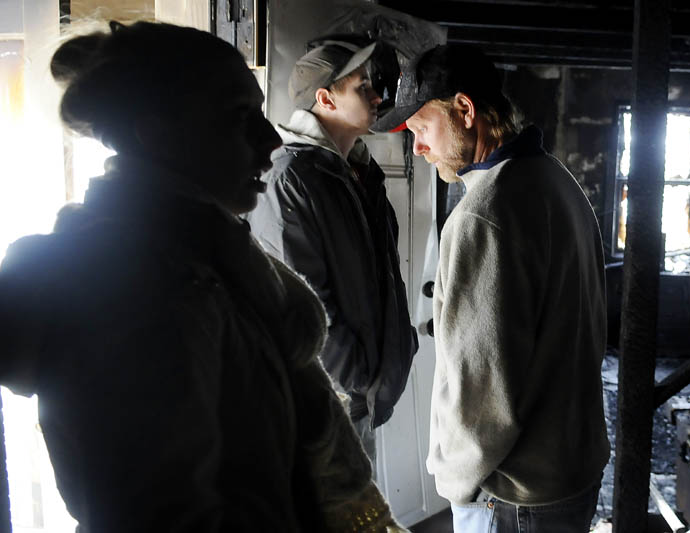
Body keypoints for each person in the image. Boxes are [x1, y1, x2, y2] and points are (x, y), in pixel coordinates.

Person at [0, 21, 404, 533]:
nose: (269, 140)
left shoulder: (210, 258)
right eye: (240, 117)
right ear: (157, 130)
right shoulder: (137, 291)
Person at [372, 44, 610, 533]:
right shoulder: (556, 179)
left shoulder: (483, 214)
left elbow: (480, 390)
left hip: (514, 493)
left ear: (465, 109)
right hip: (573, 469)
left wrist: (456, 484)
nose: (416, 148)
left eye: (420, 127)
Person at [248, 38, 419, 463]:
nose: (378, 96)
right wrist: (356, 377)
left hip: (357, 398)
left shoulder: (358, 171)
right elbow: (301, 302)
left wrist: (395, 350)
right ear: (325, 98)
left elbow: (382, 277)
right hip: (328, 403)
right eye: (363, 87)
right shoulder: (291, 178)